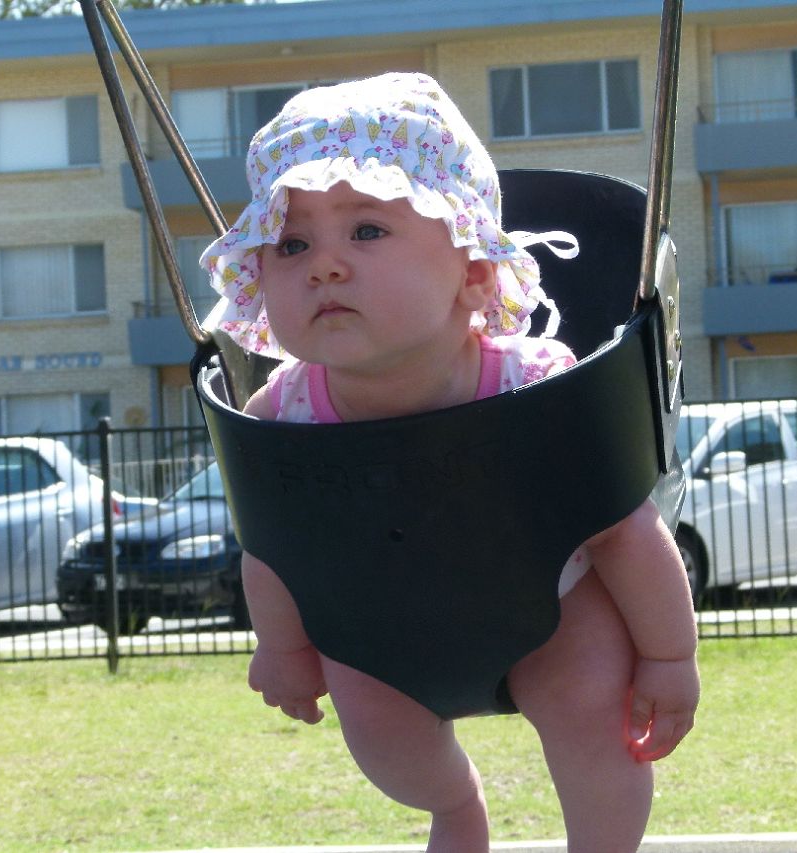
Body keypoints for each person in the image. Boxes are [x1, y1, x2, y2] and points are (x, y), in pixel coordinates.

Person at [200, 72, 699, 853]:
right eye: (292, 244)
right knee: (382, 740)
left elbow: (626, 530)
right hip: (378, 628)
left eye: (367, 230)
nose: (324, 265)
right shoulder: (283, 413)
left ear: (473, 274)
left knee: (596, 719)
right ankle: (455, 805)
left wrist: (669, 656)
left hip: (552, 604)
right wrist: (285, 646)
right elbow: (272, 541)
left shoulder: (537, 384)